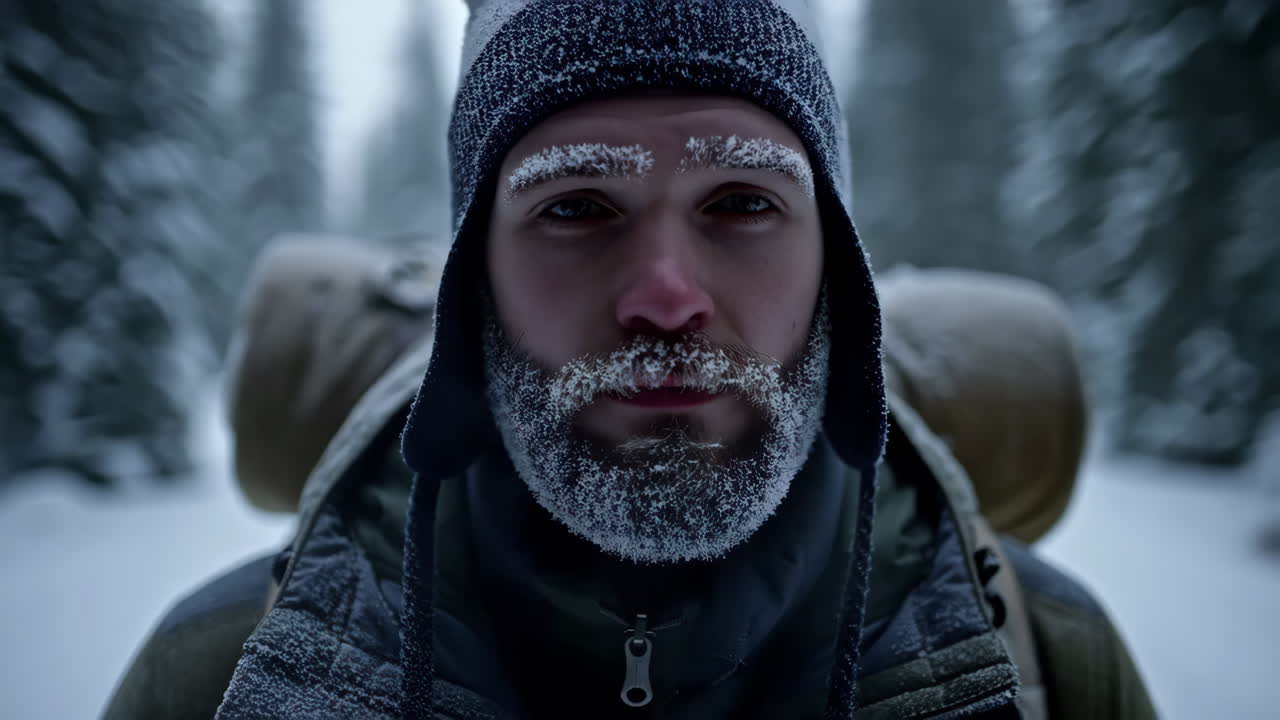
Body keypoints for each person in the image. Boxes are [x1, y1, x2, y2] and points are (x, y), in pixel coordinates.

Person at [104, 1, 1155, 718]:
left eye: (742, 202)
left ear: (835, 270)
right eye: (575, 207)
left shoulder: (1050, 668)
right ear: (473, 284)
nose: (664, 296)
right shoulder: (219, 678)